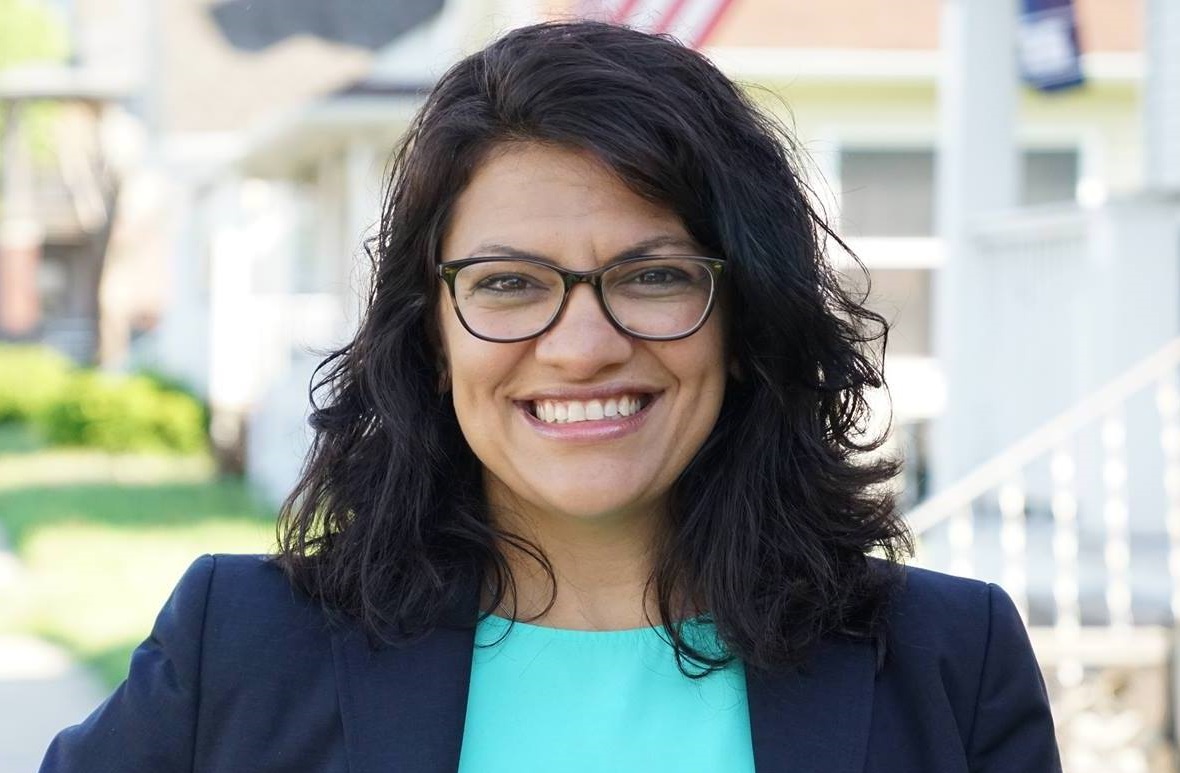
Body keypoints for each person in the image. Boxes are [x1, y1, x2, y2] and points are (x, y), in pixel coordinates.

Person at [40, 20, 1061, 773]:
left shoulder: (946, 660)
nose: (582, 347)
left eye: (653, 275)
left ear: (747, 319)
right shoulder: (242, 644)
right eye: (508, 284)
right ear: (431, 338)